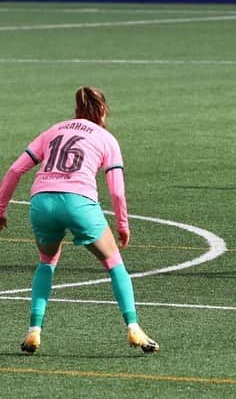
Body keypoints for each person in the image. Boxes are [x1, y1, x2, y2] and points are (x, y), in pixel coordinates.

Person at [0, 86, 159, 354]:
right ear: (104, 111)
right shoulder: (106, 138)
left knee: (47, 262)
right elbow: (117, 190)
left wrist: (1, 207)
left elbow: (16, 169)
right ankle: (133, 327)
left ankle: (33, 331)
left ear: (76, 110)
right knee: (114, 263)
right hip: (79, 203)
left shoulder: (54, 130)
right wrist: (122, 225)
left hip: (41, 202)